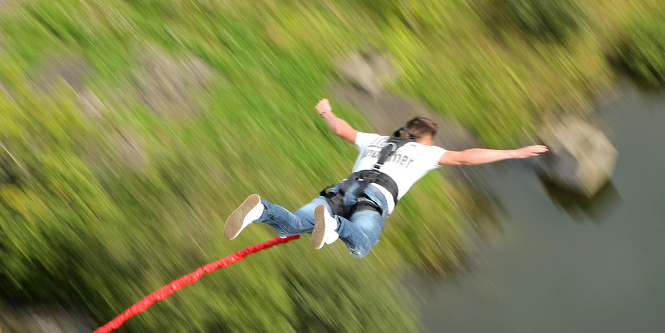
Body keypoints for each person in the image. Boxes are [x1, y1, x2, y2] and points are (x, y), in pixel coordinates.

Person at [224, 98, 549, 257]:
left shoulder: (376, 139)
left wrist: (325, 109)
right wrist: (513, 153)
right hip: (374, 200)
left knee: (293, 225)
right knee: (362, 246)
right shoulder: (426, 153)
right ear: (426, 140)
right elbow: (468, 157)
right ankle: (335, 227)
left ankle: (259, 211)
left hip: (340, 192)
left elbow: (340, 129)